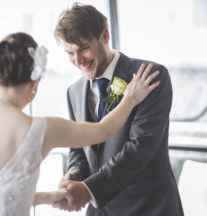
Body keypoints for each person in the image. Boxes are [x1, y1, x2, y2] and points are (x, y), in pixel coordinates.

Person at [0, 32, 159, 216]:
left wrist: (47, 197)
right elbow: (103, 131)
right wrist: (130, 99)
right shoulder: (38, 130)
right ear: (35, 81)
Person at [52, 3, 184, 216]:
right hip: (100, 210)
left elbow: (140, 148)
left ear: (105, 36)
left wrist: (88, 190)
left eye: (84, 48)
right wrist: (74, 174)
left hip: (149, 207)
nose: (77, 61)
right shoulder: (74, 92)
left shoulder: (149, 76)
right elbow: (78, 149)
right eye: (69, 52)